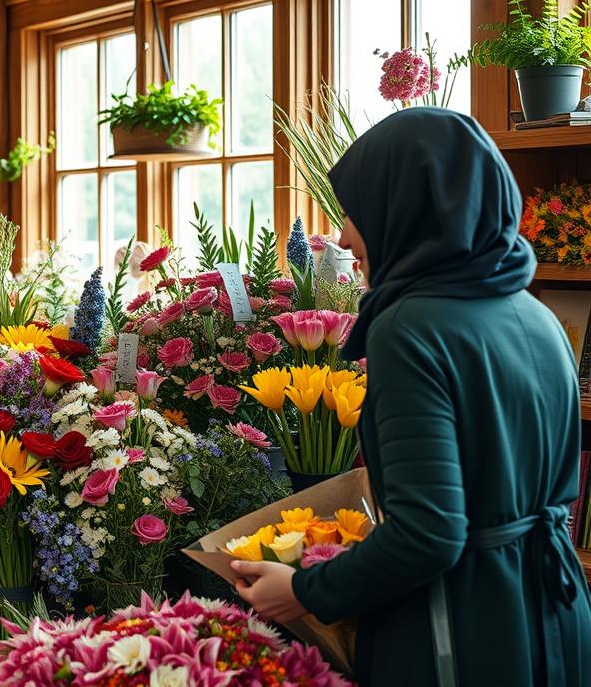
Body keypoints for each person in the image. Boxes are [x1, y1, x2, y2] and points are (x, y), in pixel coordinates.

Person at [231, 107, 591, 686]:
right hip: (554, 609)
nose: (345, 237)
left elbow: (428, 534)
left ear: (404, 208)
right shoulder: (537, 314)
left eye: (354, 212)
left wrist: (304, 590)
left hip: (461, 627)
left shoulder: (409, 327)